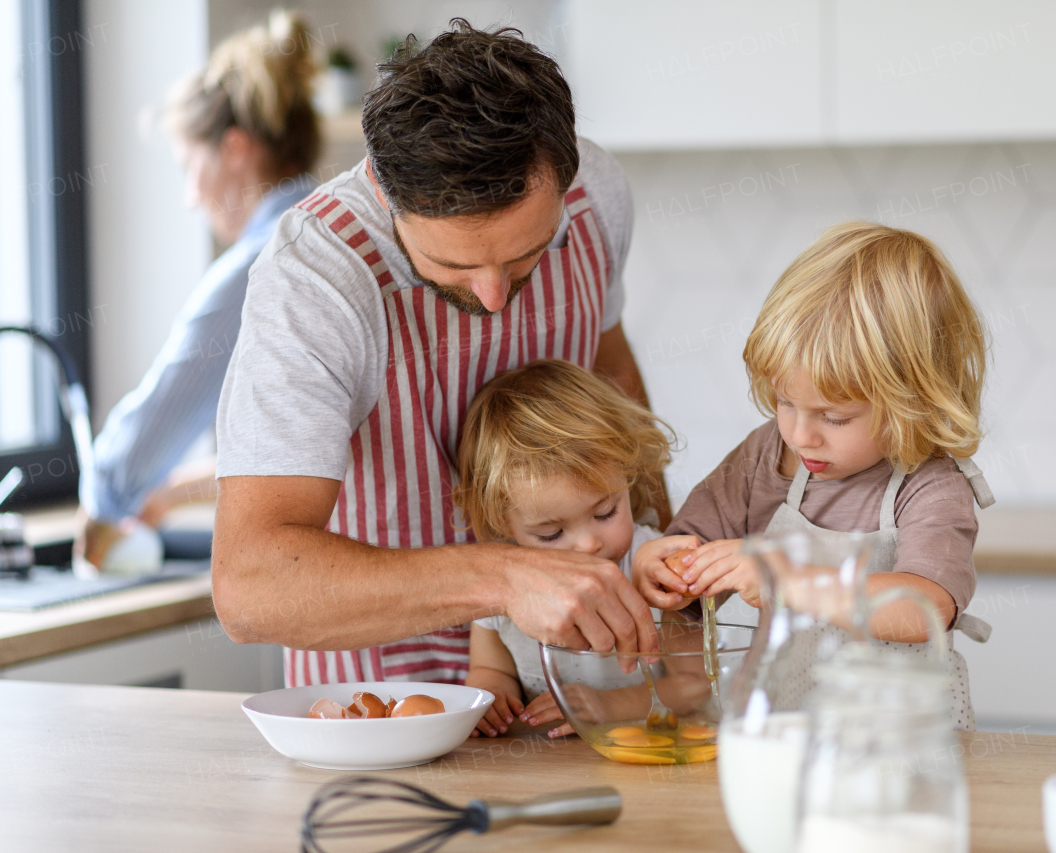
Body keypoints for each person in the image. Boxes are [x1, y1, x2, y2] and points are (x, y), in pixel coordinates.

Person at [213, 22, 667, 687]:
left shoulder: (597, 195)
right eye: (451, 264)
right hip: (382, 709)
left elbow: (614, 378)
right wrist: (507, 577)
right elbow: (250, 586)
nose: (492, 296)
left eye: (525, 257)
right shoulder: (316, 276)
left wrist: (663, 573)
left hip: (575, 690)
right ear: (382, 187)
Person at [632, 221, 996, 730]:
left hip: (903, 744)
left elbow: (923, 607)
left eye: (833, 417)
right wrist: (662, 566)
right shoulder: (769, 454)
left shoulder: (931, 485)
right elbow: (689, 546)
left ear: (912, 401)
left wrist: (785, 578)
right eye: (785, 402)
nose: (801, 435)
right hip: (788, 730)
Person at [76, 11, 320, 567]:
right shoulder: (338, 231)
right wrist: (174, 491)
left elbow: (139, 446)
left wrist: (104, 498)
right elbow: (315, 438)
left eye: (189, 166)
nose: (190, 197)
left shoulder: (262, 264)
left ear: (235, 149)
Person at [452, 360, 673, 739]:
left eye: (606, 512)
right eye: (551, 533)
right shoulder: (500, 581)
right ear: (505, 523)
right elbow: (491, 669)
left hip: (644, 753)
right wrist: (491, 694)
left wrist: (607, 707)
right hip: (543, 763)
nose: (589, 544)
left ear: (627, 475)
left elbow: (694, 685)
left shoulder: (652, 562)